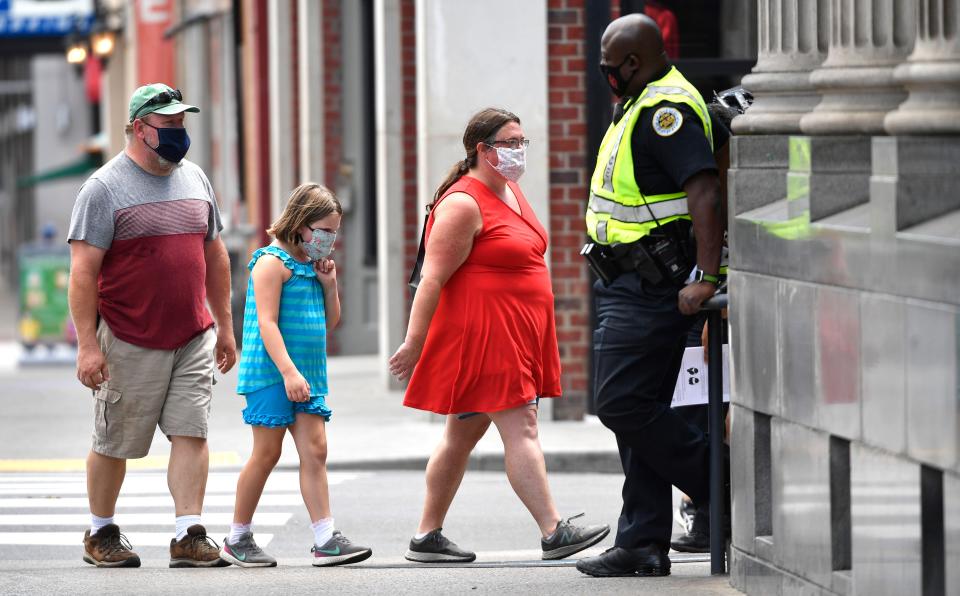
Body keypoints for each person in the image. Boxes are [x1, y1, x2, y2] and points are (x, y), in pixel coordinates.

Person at [389, 107, 609, 563]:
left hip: (512, 332)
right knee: (522, 426)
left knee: (459, 438)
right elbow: (431, 279)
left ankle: (426, 537)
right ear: (482, 150)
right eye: (510, 143)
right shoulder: (462, 204)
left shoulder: (510, 190)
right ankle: (553, 531)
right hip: (486, 336)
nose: (518, 151)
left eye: (521, 141)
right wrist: (413, 342)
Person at [575, 14, 724, 578]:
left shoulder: (668, 112)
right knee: (640, 413)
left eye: (610, 69)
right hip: (627, 281)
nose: (606, 77)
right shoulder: (639, 101)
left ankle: (723, 481)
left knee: (620, 404)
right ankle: (641, 542)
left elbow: (705, 192)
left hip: (651, 286)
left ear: (633, 63)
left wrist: (706, 278)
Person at [68, 83, 237, 568]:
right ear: (140, 128)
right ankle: (101, 531)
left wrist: (224, 326)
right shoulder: (103, 189)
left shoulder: (195, 179)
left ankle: (189, 533)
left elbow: (214, 253)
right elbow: (83, 274)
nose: (179, 133)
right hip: (127, 336)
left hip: (192, 334)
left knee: (192, 433)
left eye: (182, 123)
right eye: (169, 124)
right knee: (114, 441)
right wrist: (87, 346)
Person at [219, 182, 372, 568]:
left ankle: (325, 538)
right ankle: (237, 537)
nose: (329, 238)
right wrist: (288, 372)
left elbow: (329, 323)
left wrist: (330, 284)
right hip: (273, 374)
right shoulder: (271, 263)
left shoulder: (313, 268)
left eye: (334, 231)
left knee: (315, 451)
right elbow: (266, 325)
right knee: (267, 454)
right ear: (300, 223)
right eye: (323, 229)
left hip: (308, 375)